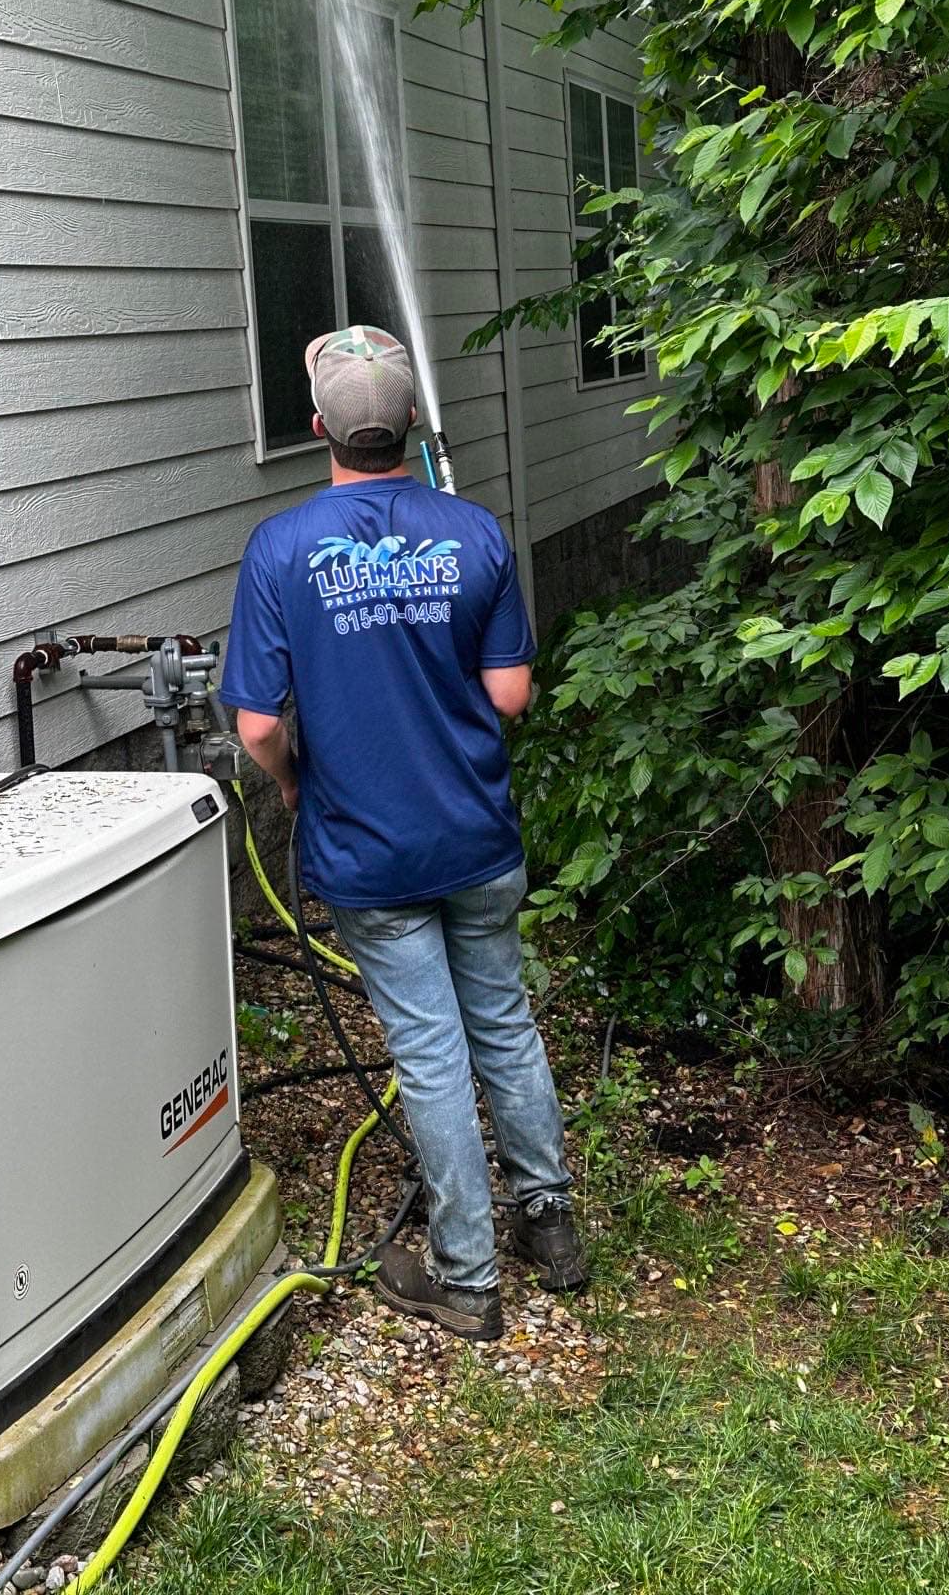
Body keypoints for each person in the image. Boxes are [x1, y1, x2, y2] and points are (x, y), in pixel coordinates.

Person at [221, 324, 588, 1342]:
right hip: (476, 839)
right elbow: (510, 694)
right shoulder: (471, 531)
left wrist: (294, 783)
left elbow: (255, 725)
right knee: (503, 1023)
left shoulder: (281, 551)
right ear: (414, 425)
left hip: (368, 857)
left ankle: (467, 1278)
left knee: (431, 1056)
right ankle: (549, 1223)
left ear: (317, 431)